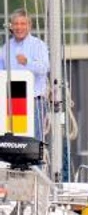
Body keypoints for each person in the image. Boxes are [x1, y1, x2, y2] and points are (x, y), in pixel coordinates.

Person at [0, 9, 48, 139]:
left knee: (33, 143)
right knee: (13, 142)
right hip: (12, 101)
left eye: (23, 23)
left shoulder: (38, 45)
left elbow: (44, 68)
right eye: (16, 24)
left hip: (34, 102)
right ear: (11, 26)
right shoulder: (5, 48)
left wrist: (27, 62)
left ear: (29, 26)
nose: (19, 27)